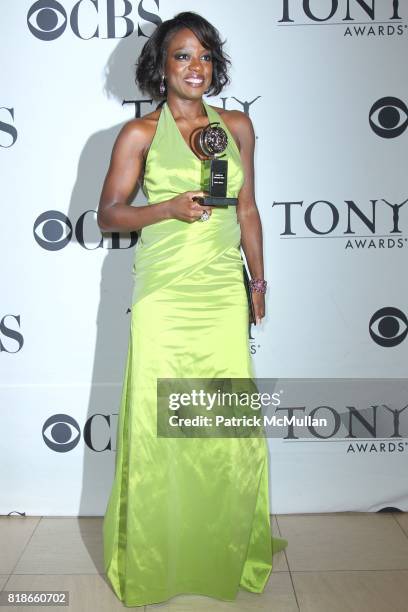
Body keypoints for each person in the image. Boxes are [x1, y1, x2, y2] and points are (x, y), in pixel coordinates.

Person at [98, 11, 288, 607]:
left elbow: (249, 209)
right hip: (164, 294)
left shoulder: (236, 125)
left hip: (218, 292)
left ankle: (220, 544)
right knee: (160, 424)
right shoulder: (138, 134)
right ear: (161, 66)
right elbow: (109, 215)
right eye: (183, 56)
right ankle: (157, 554)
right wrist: (166, 209)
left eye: (204, 56)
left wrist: (257, 283)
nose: (196, 68)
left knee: (221, 425)